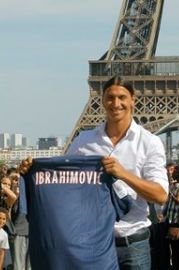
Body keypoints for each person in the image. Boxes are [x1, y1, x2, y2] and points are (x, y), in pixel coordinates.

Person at [63, 76, 169, 269]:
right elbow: (60, 179)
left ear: (132, 100)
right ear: (102, 100)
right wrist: (31, 170)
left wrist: (123, 174)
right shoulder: (84, 141)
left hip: (133, 243)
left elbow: (160, 195)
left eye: (122, 97)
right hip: (93, 242)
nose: (116, 103)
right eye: (110, 98)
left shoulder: (149, 142)